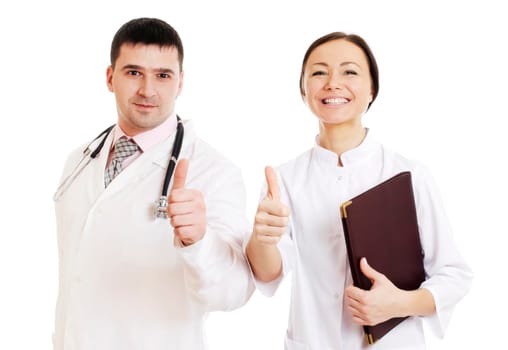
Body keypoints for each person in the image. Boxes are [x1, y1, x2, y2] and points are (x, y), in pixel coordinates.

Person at [246, 32, 473, 349]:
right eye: (319, 72)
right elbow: (269, 274)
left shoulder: (408, 175)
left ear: (372, 90)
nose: (333, 83)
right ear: (303, 91)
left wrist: (400, 304)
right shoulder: (283, 179)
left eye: (349, 71)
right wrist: (262, 237)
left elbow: (454, 275)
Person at [52, 17, 253, 350]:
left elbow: (233, 291)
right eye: (134, 73)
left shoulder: (215, 171)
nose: (148, 89)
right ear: (109, 77)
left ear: (180, 82)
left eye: (163, 75)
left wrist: (198, 242)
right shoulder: (79, 161)